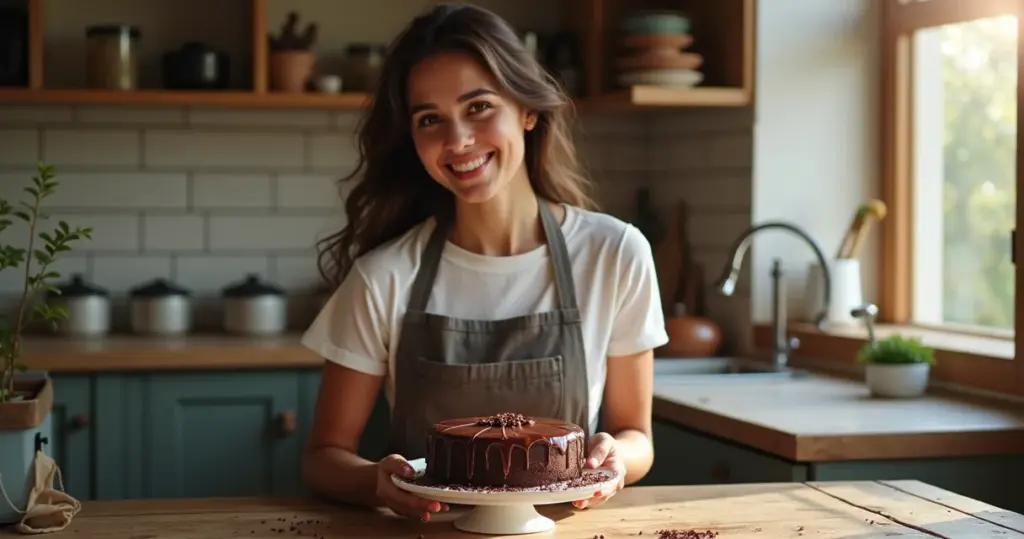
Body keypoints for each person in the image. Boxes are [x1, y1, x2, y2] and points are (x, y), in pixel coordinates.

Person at [299, 2, 668, 523]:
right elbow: (322, 458)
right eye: (431, 120)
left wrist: (614, 460)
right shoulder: (385, 276)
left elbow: (638, 438)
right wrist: (375, 482)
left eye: (478, 108)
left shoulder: (614, 254)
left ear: (528, 109)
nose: (458, 141)